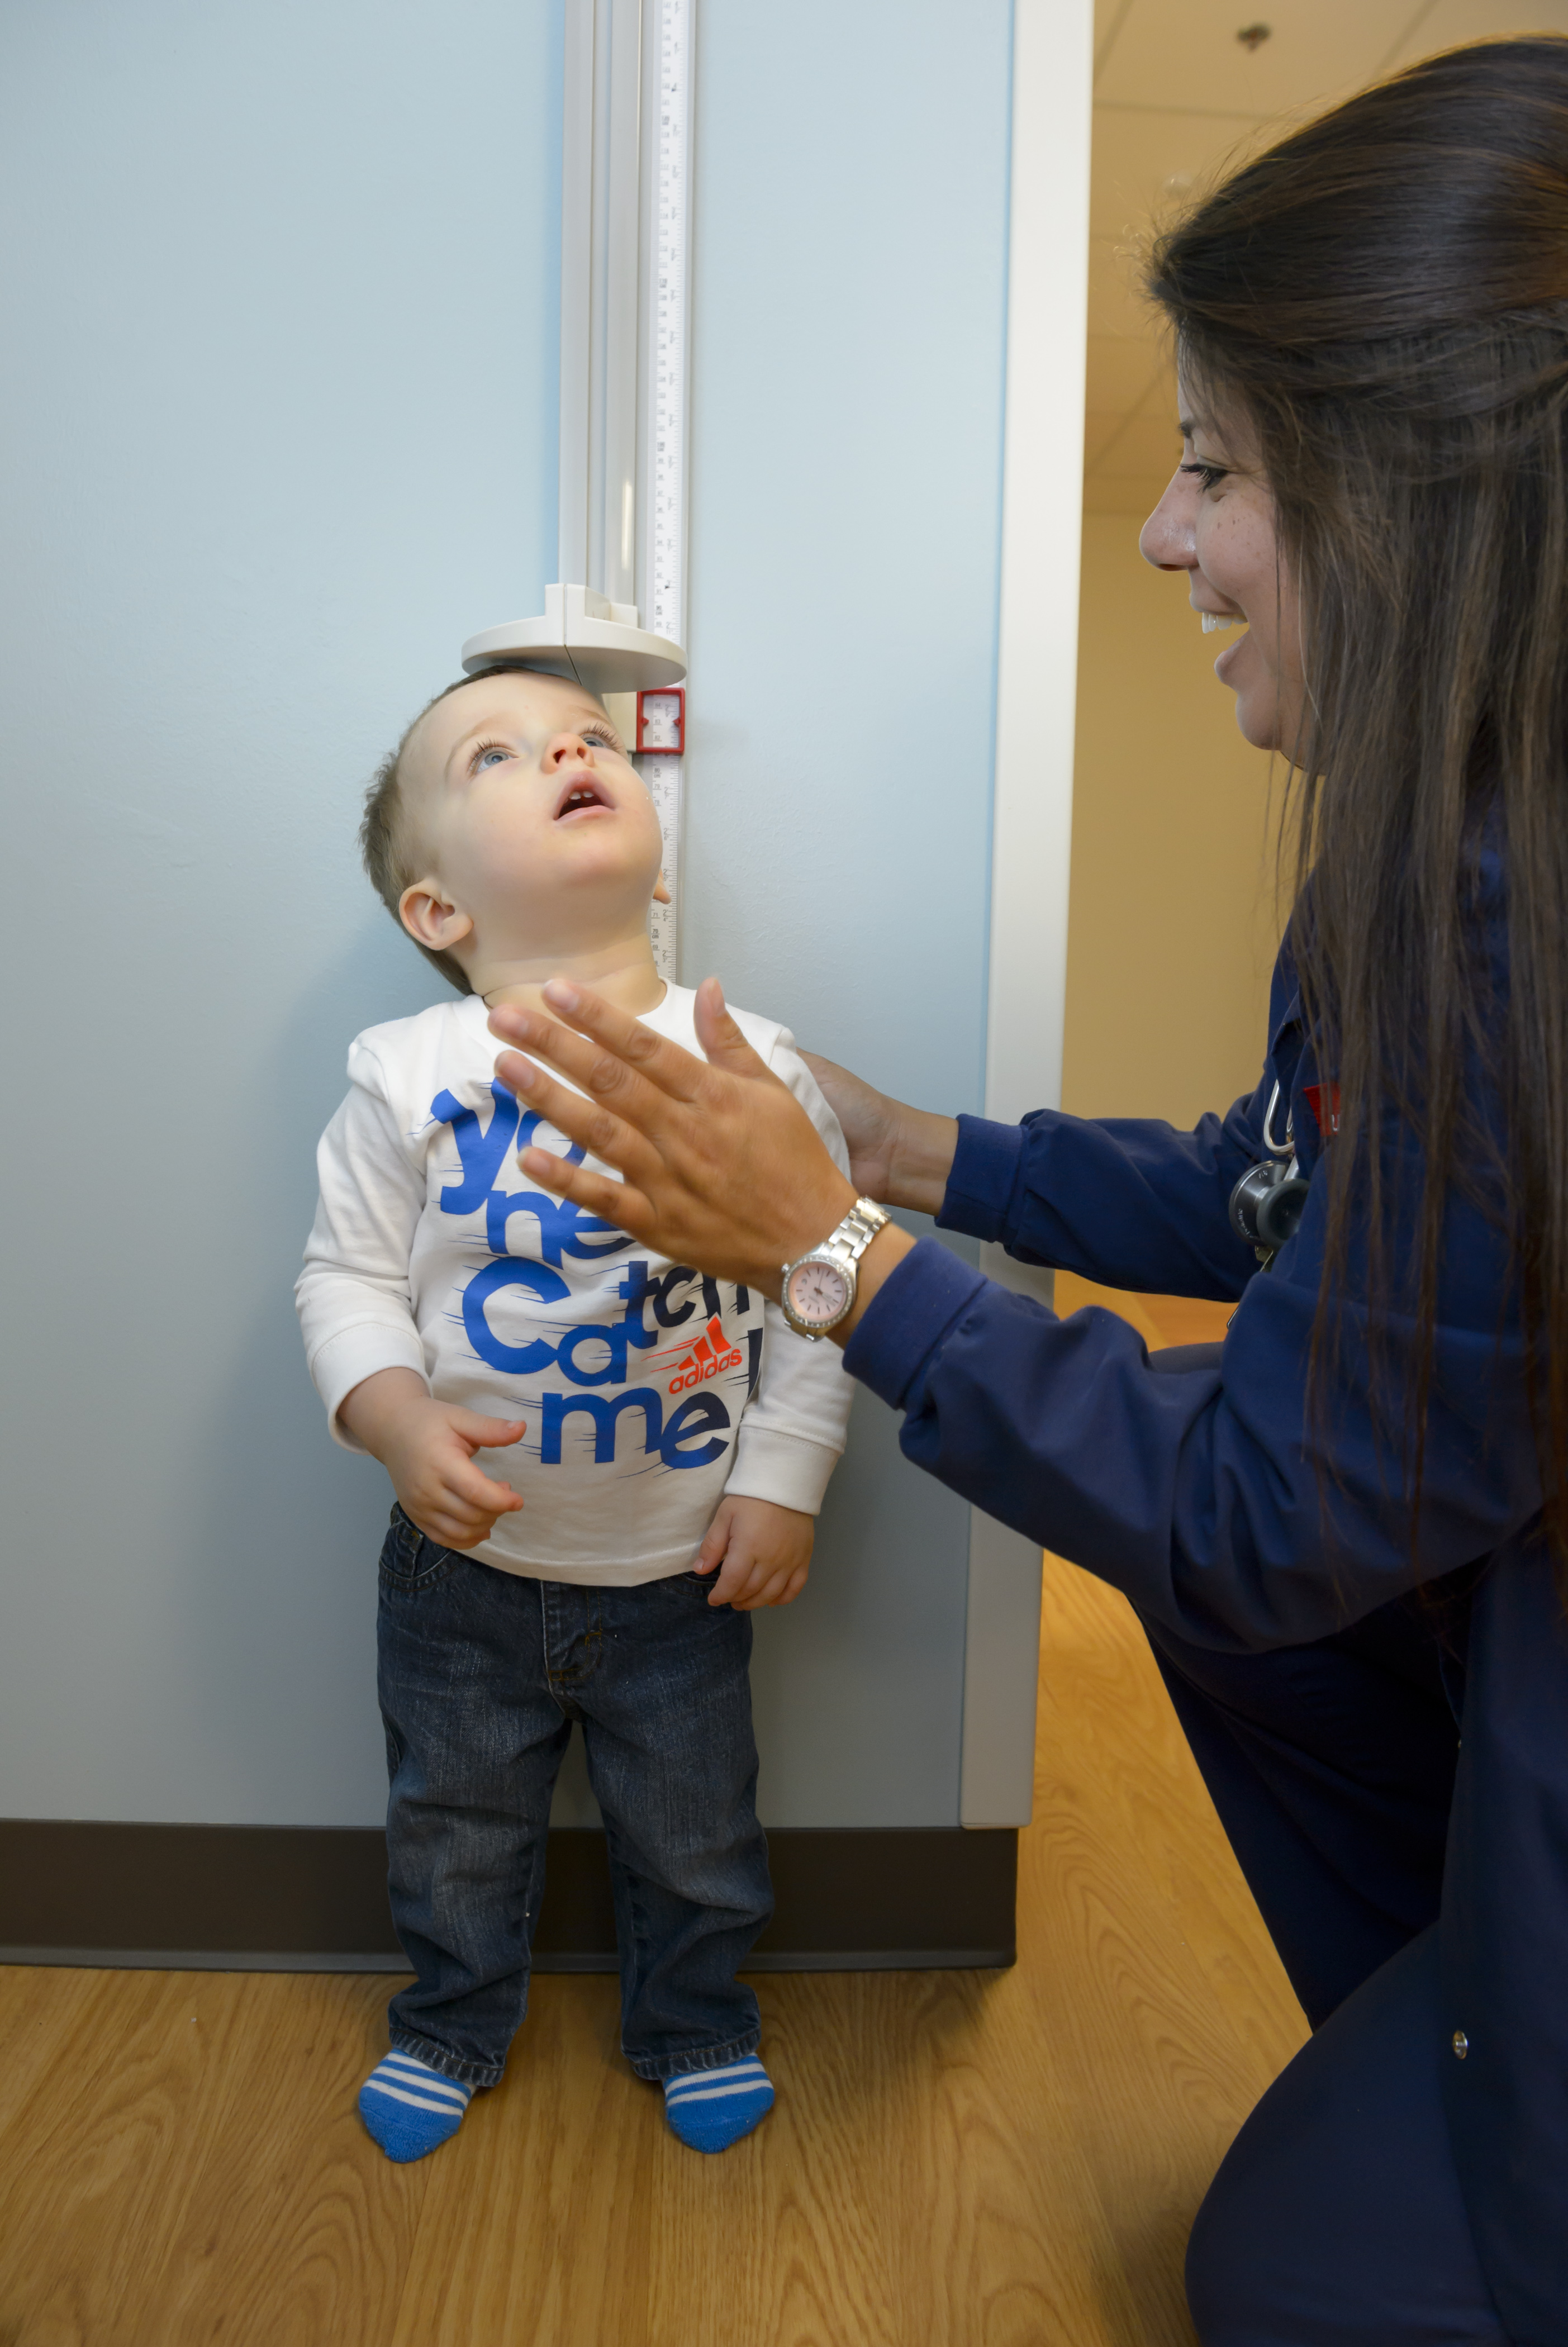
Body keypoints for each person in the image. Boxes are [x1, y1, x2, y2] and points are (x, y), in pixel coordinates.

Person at [478, 40, 1568, 2346]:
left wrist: (826, 1252)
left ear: (1425, 493)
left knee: (1276, 2280)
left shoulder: (1505, 904)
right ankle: (1460, 2008)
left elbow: (1273, 1499)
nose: (1167, 535)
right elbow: (1298, 1196)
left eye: (1213, 468)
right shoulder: (1430, 851)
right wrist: (909, 1156)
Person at [294, 662, 852, 2164]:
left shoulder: (747, 1061)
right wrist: (395, 1419)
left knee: (697, 1834)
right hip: (459, 1572)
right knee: (454, 1830)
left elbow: (819, 1283)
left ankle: (696, 2023)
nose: (565, 749)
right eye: (499, 753)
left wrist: (786, 1477)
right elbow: (342, 1278)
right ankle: (450, 2021)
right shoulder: (408, 1077)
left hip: (679, 1567)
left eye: (587, 737)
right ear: (437, 913)